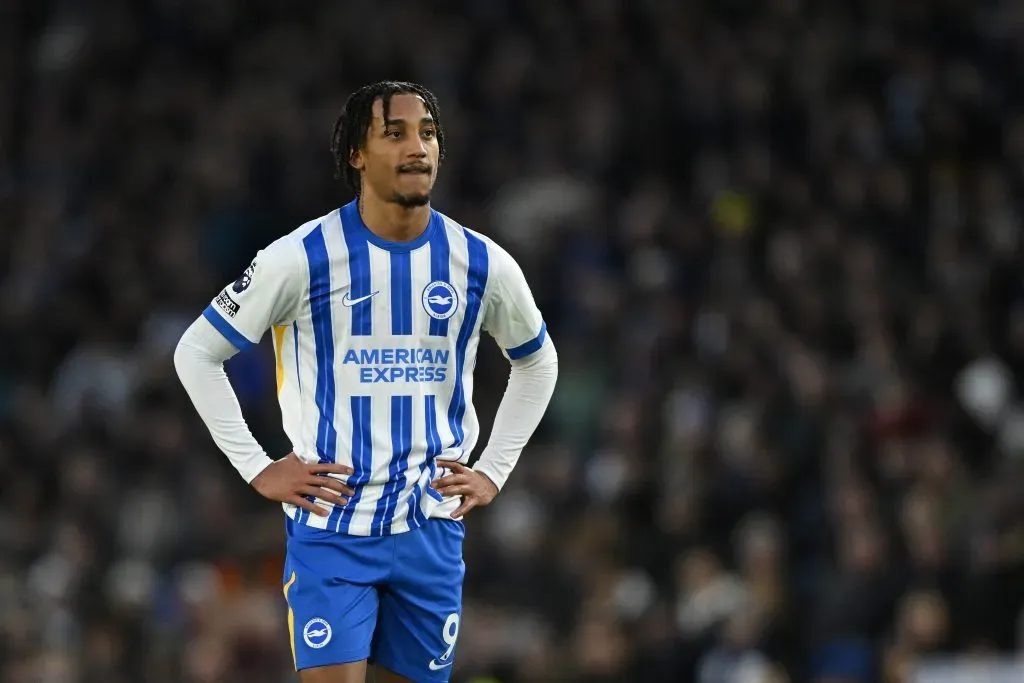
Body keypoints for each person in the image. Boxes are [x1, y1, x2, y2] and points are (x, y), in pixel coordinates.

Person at [174, 81, 558, 683]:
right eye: (395, 133)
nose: (418, 148)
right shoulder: (300, 257)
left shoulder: (482, 262)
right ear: (356, 152)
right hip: (333, 529)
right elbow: (196, 352)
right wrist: (257, 466)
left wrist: (495, 468)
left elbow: (538, 361)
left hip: (431, 529)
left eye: (428, 134)